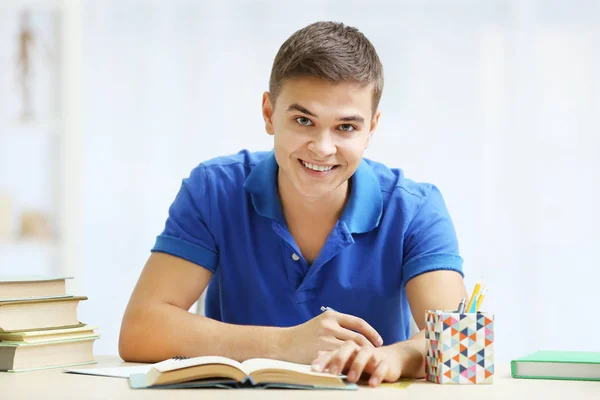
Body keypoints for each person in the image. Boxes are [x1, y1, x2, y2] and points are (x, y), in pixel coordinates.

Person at [119, 21, 468, 387]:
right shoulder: (213, 189)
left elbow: (458, 341)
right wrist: (285, 343)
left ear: (372, 128)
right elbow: (141, 329)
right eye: (304, 120)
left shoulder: (415, 208)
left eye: (346, 127)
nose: (322, 147)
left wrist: (393, 357)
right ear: (269, 113)